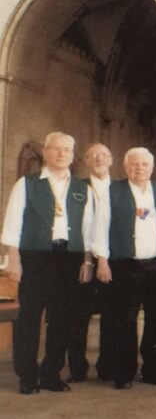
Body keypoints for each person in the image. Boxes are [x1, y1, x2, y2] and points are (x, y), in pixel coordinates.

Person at [1, 132, 94, 395]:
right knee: (29, 317)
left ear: (72, 155)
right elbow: (12, 222)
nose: (62, 153)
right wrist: (14, 258)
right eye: (56, 149)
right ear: (46, 151)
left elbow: (88, 229)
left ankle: (51, 373)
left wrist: (87, 261)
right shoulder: (27, 184)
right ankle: (27, 375)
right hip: (35, 257)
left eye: (67, 149)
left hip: (69, 257)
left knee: (63, 318)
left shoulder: (80, 188)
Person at [93, 147, 156, 389]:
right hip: (124, 264)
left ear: (152, 168)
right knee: (124, 320)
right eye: (134, 164)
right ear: (125, 166)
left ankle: (155, 370)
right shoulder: (113, 191)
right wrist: (102, 260)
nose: (139, 168)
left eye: (144, 164)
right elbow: (100, 227)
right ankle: (124, 373)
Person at [69, 142, 113, 383]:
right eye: (93, 155)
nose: (99, 158)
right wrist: (87, 260)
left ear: (112, 160)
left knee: (111, 313)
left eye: (103, 155)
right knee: (79, 315)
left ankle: (107, 366)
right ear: (86, 161)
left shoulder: (119, 189)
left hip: (111, 259)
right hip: (83, 258)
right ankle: (77, 367)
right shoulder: (77, 188)